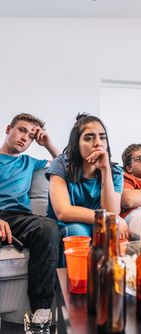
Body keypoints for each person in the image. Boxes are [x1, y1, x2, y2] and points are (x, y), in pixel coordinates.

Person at [0, 113, 61, 333]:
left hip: (19, 218)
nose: (25, 138)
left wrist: (47, 144)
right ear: (9, 129)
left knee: (48, 228)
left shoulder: (30, 162)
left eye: (31, 136)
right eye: (22, 130)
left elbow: (65, 166)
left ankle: (40, 313)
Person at [46, 113, 128, 244]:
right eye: (88, 138)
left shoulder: (115, 172)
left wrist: (105, 170)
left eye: (103, 138)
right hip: (66, 223)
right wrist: (109, 217)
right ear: (76, 144)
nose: (98, 143)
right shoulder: (60, 164)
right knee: (79, 231)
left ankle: (108, 265)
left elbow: (112, 211)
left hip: (99, 223)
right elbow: (63, 211)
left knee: (109, 230)